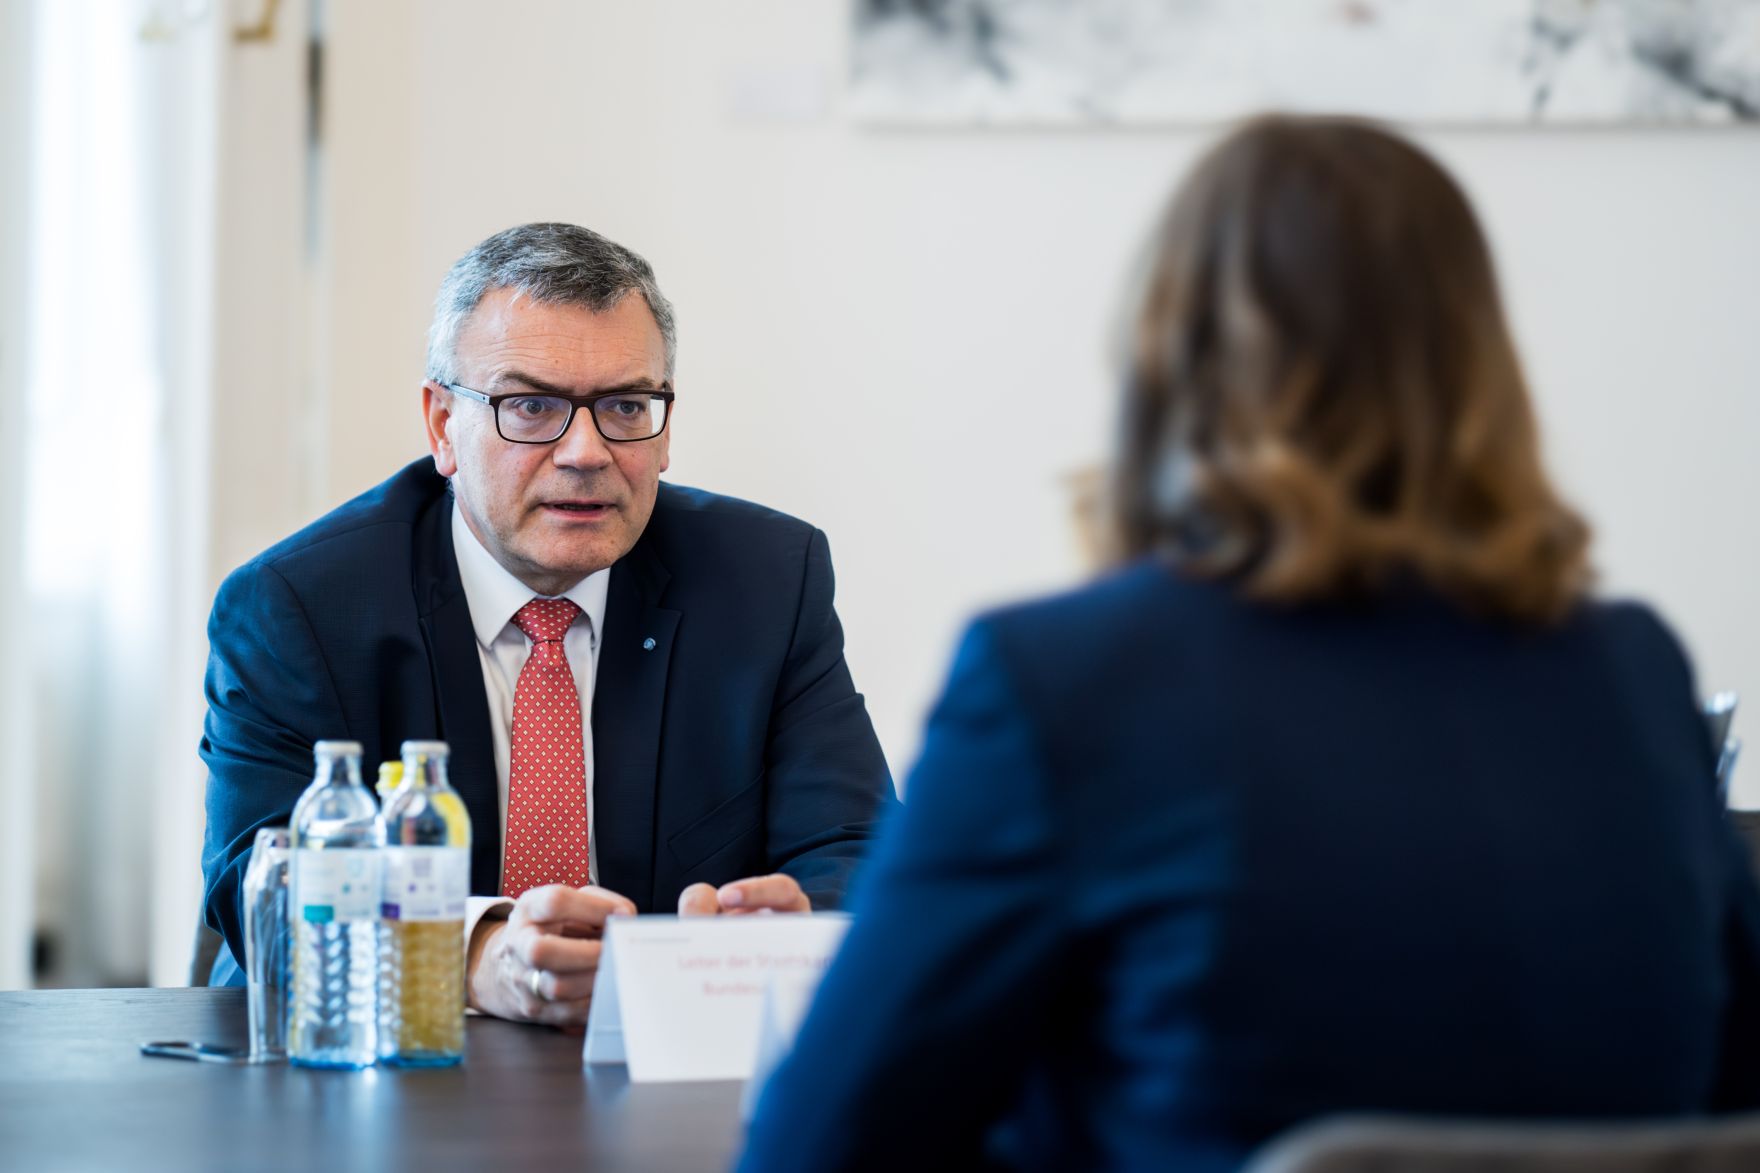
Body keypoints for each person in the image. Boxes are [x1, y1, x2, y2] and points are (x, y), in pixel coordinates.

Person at [739, 115, 1760, 1171]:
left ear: (1167, 362)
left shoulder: (1062, 686)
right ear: (1481, 362)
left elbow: (815, 1151)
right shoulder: (1633, 676)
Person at [200, 223, 898, 1025]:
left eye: (626, 406)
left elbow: (861, 849)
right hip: (369, 1053)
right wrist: (471, 956)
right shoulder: (298, 607)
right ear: (442, 425)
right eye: (531, 407)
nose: (585, 451)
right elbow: (264, 882)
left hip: (662, 1059)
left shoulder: (767, 581)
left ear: (665, 427)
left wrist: (788, 928)